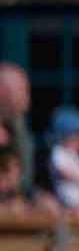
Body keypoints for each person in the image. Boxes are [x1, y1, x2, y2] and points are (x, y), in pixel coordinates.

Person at [0, 62, 35, 205]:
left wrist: (38, 198)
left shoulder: (20, 135)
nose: (27, 104)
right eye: (22, 93)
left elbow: (24, 186)